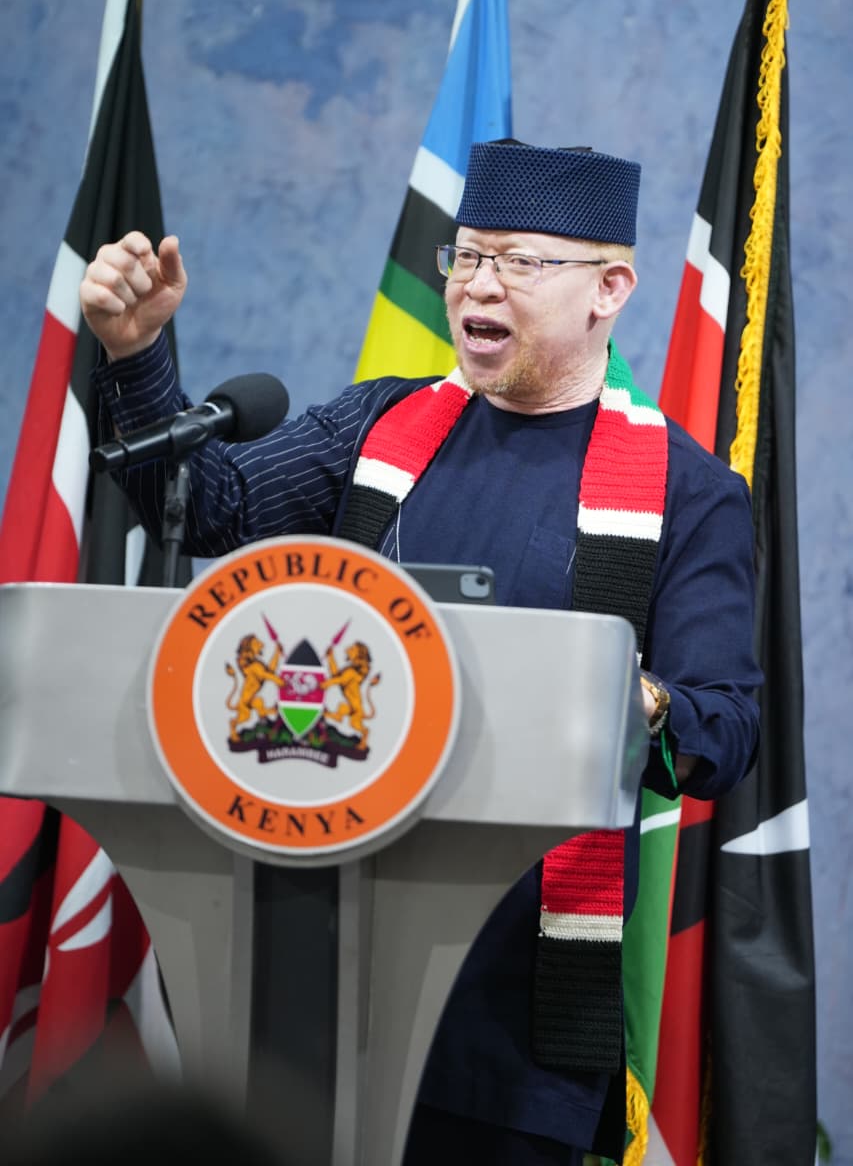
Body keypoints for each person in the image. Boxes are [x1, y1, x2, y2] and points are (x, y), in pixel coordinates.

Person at [79, 139, 761, 1164]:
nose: (478, 283)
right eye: (467, 255)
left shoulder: (687, 491)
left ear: (608, 290)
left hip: (512, 1014)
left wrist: (644, 699)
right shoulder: (379, 424)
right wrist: (136, 355)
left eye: (519, 261)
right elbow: (213, 504)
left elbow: (727, 728)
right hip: (317, 956)